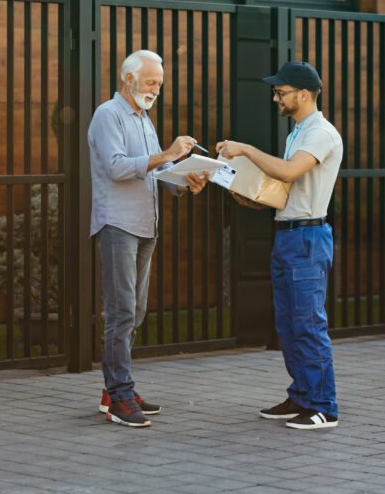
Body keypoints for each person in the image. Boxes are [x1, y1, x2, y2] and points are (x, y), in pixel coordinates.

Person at [217, 61, 343, 430]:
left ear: (304, 95)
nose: (276, 98)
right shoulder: (298, 133)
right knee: (288, 323)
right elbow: (287, 190)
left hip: (307, 237)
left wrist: (245, 149)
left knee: (308, 322)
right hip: (289, 234)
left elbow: (288, 173)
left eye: (281, 92)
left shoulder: (319, 132)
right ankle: (301, 396)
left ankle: (324, 406)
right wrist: (250, 197)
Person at [88, 49, 210, 428]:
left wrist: (186, 180)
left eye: (159, 83)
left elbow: (155, 172)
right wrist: (168, 153)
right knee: (122, 312)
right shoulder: (108, 115)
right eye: (150, 82)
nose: (156, 89)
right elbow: (117, 167)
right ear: (128, 78)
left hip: (145, 225)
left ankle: (115, 390)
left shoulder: (145, 119)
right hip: (118, 225)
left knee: (135, 312)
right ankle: (120, 395)